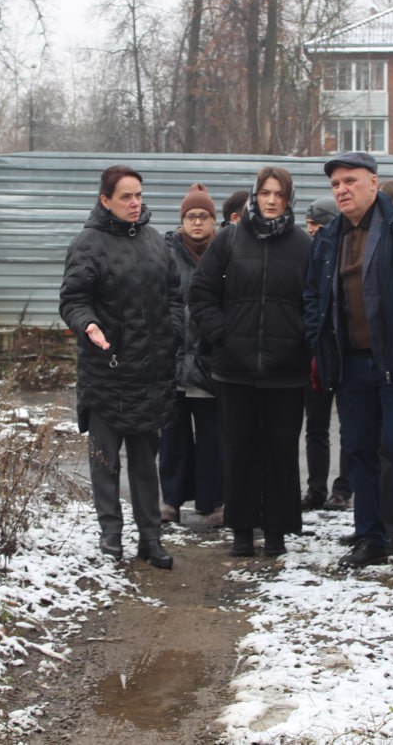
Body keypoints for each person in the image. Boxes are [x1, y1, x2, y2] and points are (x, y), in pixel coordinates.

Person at [305, 151, 393, 573]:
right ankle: (369, 536)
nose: (342, 190)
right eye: (335, 185)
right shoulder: (330, 237)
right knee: (359, 450)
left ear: (373, 182)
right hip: (350, 362)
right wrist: (319, 337)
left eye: (349, 181)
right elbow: (313, 293)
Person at [59, 164, 182, 569]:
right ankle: (111, 537)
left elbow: (174, 296)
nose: (134, 203)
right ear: (105, 200)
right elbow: (74, 299)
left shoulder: (154, 242)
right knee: (105, 463)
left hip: (150, 373)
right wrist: (88, 325)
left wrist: (173, 332)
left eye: (139, 195)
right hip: (106, 372)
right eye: (126, 196)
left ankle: (151, 538)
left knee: (146, 464)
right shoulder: (87, 244)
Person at [190, 166, 311, 558]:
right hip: (235, 370)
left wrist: (300, 341)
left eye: (279, 193)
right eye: (265, 193)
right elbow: (202, 292)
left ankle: (276, 533)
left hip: (286, 372)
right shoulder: (228, 240)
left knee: (280, 453)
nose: (271, 200)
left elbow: (317, 303)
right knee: (239, 451)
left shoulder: (304, 245)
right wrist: (221, 335)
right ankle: (241, 531)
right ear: (254, 196)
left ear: (288, 198)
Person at [159, 183, 224, 528]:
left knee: (214, 437)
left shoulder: (223, 251)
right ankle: (170, 500)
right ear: (182, 220)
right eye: (190, 216)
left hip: (210, 361)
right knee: (173, 436)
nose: (197, 222)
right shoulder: (166, 253)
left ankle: (213, 500)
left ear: (214, 220)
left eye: (203, 216)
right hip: (173, 360)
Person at [301, 196, 352, 512]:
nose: (310, 232)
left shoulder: (350, 255)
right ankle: (316, 489)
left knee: (351, 426)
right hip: (315, 354)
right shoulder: (305, 256)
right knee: (315, 426)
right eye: (308, 226)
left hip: (345, 355)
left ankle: (344, 489)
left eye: (316, 226)